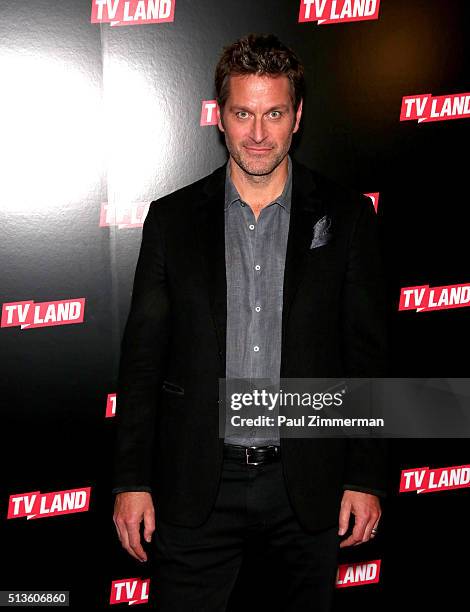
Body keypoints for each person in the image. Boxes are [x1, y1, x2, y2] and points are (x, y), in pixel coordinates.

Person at [112, 33, 388, 611]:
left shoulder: (347, 216)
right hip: (195, 489)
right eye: (243, 113)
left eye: (274, 113)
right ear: (220, 117)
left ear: (297, 117)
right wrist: (132, 482)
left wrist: (363, 476)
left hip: (305, 488)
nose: (258, 133)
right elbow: (142, 362)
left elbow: (365, 356)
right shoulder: (171, 221)